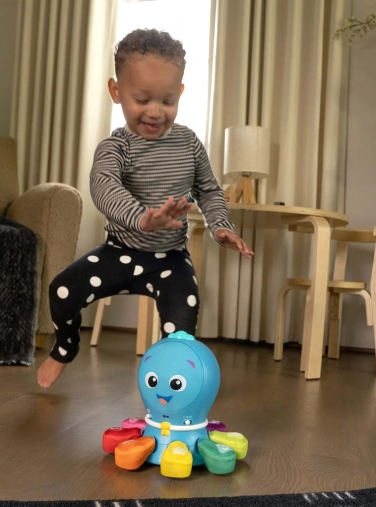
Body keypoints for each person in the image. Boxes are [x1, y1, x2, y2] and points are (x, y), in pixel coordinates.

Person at [37, 28, 253, 388]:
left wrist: (220, 227)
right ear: (116, 91)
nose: (155, 112)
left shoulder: (188, 143)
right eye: (141, 99)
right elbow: (104, 186)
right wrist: (141, 218)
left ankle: (171, 395)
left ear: (180, 93)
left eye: (167, 101)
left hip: (170, 260)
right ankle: (64, 347)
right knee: (61, 290)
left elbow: (209, 190)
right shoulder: (116, 147)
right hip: (118, 252)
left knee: (182, 329)